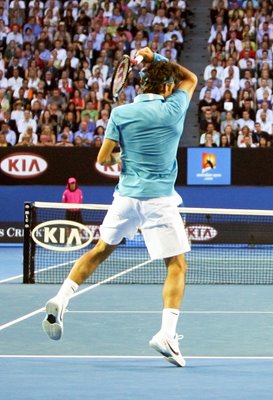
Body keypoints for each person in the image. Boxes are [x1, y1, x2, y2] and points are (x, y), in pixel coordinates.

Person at [41, 47, 198, 368]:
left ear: (141, 87)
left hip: (125, 196)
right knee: (176, 265)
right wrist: (155, 57)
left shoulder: (121, 114)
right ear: (167, 88)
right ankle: (167, 334)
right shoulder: (173, 109)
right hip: (159, 200)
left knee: (99, 250)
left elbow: (103, 159)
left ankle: (61, 298)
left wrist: (125, 158)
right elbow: (191, 77)